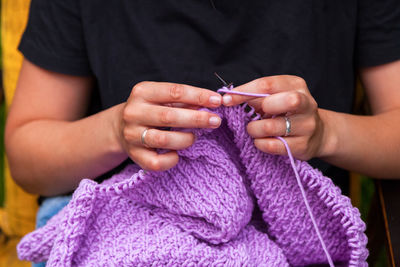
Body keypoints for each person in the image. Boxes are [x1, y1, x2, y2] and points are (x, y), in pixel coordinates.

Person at [5, 0, 400, 200]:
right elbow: (27, 159)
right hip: (121, 226)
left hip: (295, 240)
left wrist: (327, 133)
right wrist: (114, 131)